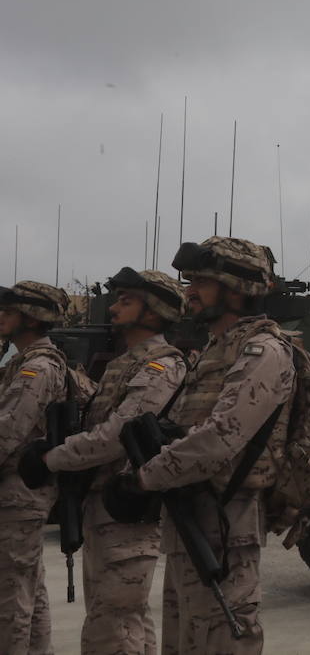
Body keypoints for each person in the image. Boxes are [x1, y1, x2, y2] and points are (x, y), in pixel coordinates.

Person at [103, 237, 294, 654]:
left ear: (236, 289)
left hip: (226, 527)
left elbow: (218, 440)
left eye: (202, 283)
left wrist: (143, 479)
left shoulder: (264, 351)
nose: (189, 292)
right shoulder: (212, 353)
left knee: (220, 642)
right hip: (189, 518)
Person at [23, 268, 187, 654]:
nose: (113, 307)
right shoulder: (124, 365)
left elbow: (115, 437)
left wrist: (52, 458)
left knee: (111, 628)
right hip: (106, 510)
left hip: (129, 513)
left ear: (154, 311)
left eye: (125, 301)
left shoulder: (161, 365)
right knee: (122, 621)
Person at [0, 280, 72, 654]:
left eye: (8, 311)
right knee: (29, 592)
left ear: (31, 318)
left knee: (10, 601)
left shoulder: (39, 367)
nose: (0, 316)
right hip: (16, 492)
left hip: (19, 494)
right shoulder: (22, 363)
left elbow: (9, 430)